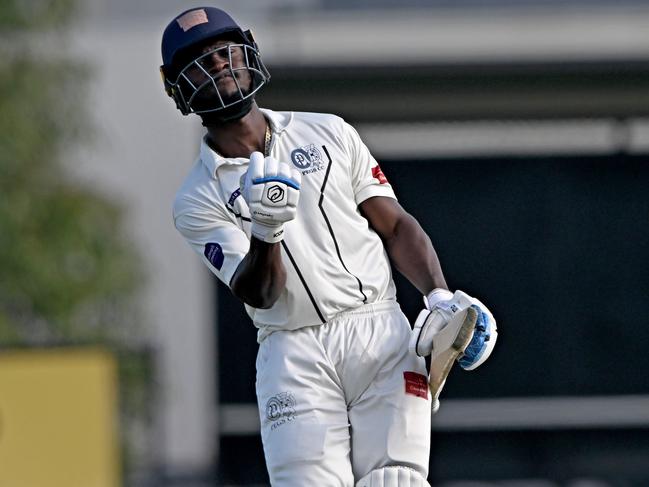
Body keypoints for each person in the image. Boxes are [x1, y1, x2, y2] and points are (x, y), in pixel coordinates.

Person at [161, 7, 498, 487]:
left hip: (378, 332)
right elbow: (260, 294)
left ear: (247, 51)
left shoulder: (329, 132)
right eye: (199, 60)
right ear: (177, 88)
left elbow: (396, 224)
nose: (218, 64)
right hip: (292, 354)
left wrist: (440, 296)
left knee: (396, 481)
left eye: (224, 50)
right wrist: (266, 231)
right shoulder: (195, 199)